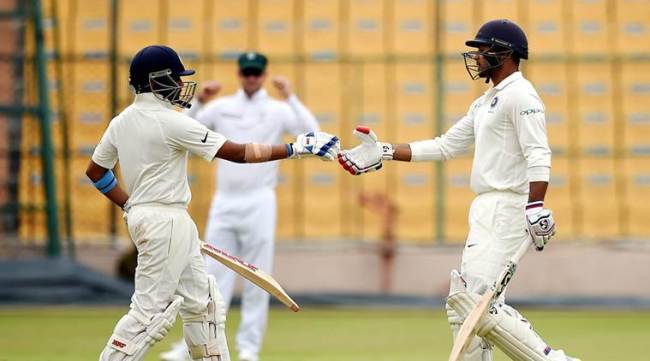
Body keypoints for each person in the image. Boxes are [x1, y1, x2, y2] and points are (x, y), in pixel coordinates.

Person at [337, 20, 580, 361]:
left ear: (506, 53)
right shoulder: (486, 102)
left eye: (484, 49)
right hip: (484, 207)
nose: (477, 56)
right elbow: (446, 145)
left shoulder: (521, 96)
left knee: (478, 302)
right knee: (464, 304)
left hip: (509, 206)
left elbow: (538, 152)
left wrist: (535, 205)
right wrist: (386, 151)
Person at [87, 45, 339, 361]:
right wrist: (293, 149)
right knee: (148, 315)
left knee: (203, 304)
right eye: (176, 78)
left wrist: (129, 205)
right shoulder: (172, 122)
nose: (181, 85)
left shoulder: (120, 121)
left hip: (155, 217)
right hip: (166, 221)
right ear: (157, 80)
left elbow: (96, 172)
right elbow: (239, 153)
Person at [160, 51, 319, 361]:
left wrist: (291, 96)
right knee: (208, 276)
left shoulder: (277, 109)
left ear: (263, 74)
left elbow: (311, 132)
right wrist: (201, 101)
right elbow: (180, 132)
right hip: (225, 201)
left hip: (260, 200)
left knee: (258, 277)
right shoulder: (221, 107)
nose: (251, 78)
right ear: (239, 74)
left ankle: (249, 348)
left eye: (256, 73)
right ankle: (194, 345)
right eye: (246, 73)